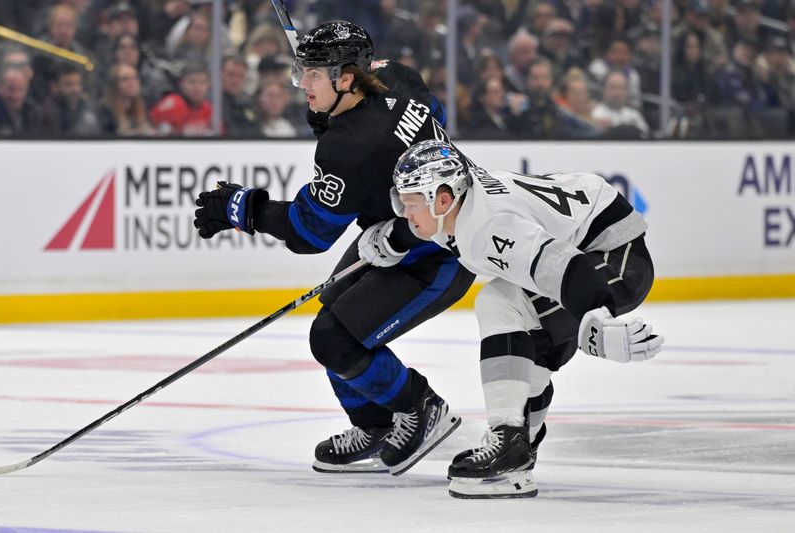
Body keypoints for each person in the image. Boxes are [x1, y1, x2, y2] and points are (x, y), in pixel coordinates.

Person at [192, 21, 476, 475]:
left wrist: (243, 209)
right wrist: (344, 118)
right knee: (333, 317)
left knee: (334, 339)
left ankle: (421, 407)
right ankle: (377, 424)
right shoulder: (399, 77)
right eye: (301, 71)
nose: (302, 84)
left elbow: (310, 234)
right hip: (404, 237)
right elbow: (431, 113)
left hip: (435, 256)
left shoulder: (351, 147)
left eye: (313, 75)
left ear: (346, 78)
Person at [381, 139, 663, 498]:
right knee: (528, 359)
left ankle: (510, 440)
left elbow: (565, 265)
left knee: (498, 302)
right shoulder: (457, 201)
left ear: (443, 199)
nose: (405, 213)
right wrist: (392, 238)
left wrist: (598, 317)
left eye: (410, 203)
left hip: (612, 259)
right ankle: (518, 449)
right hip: (591, 240)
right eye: (401, 202)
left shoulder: (490, 227)